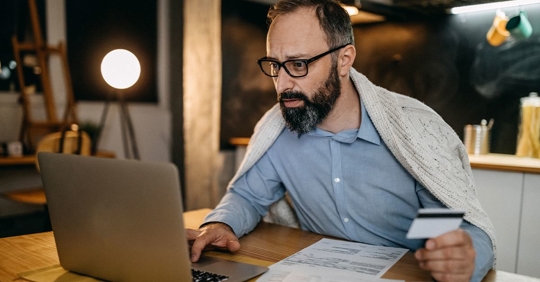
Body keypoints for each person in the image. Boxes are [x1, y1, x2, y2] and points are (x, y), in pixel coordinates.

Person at [186, 0, 496, 281]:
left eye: (298, 64)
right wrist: (220, 226)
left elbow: (459, 225)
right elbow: (247, 197)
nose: (282, 84)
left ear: (344, 60)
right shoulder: (277, 130)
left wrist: (465, 257)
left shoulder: (413, 131)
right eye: (275, 65)